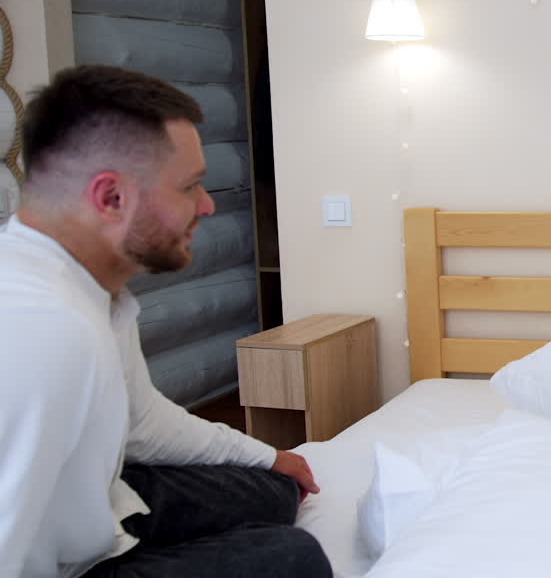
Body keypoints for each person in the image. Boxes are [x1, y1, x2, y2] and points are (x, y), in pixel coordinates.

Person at [0, 65, 332, 577]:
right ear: (111, 199)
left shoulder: (94, 287)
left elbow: (141, 421)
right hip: (58, 561)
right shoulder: (45, 329)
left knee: (274, 491)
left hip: (105, 503)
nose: (208, 205)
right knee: (293, 558)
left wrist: (267, 456)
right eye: (190, 187)